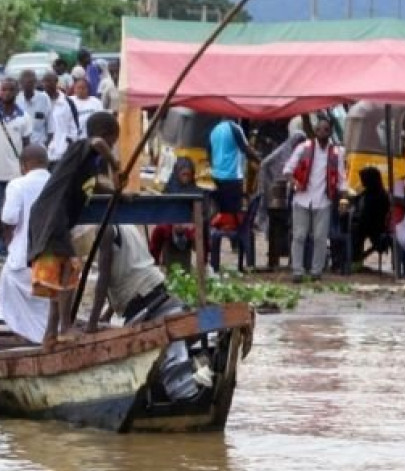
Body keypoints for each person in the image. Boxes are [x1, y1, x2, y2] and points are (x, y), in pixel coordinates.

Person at [29, 111, 121, 347]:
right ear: (106, 135)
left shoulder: (87, 165)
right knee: (68, 271)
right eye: (113, 141)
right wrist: (114, 163)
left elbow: (96, 184)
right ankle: (65, 328)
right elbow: (98, 143)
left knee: (58, 278)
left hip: (53, 219)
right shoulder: (81, 147)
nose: (111, 146)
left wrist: (120, 193)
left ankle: (51, 334)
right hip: (52, 218)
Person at [94, 222, 205, 403]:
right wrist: (106, 315)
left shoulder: (106, 228)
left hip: (146, 305)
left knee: (163, 363)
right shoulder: (128, 225)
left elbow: (103, 279)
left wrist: (92, 324)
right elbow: (131, 271)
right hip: (160, 294)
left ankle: (178, 393)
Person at [0, 144, 53, 344]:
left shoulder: (18, 185)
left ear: (23, 165)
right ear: (46, 163)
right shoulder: (56, 183)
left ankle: (24, 338)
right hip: (53, 260)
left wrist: (8, 241)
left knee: (8, 289)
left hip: (23, 260)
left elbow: (9, 219)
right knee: (46, 304)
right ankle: (46, 337)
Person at [284, 118, 346, 283]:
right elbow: (287, 170)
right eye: (319, 130)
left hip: (323, 200)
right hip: (302, 199)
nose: (322, 133)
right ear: (315, 131)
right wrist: (295, 182)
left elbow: (341, 180)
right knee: (299, 236)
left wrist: (343, 200)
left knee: (320, 237)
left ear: (330, 132)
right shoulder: (303, 148)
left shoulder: (336, 154)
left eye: (326, 130)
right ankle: (297, 271)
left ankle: (316, 271)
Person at [0, 80, 28, 259]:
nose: (7, 92)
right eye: (4, 89)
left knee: (12, 211)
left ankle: (12, 245)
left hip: (14, 172)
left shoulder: (23, 117)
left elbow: (26, 144)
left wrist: (25, 168)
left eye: (11, 89)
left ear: (17, 91)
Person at [257, 129, 305, 271]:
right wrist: (270, 182)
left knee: (295, 230)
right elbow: (265, 164)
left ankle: (293, 261)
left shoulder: (301, 154)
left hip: (294, 197)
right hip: (278, 197)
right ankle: (273, 261)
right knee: (276, 229)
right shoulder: (282, 153)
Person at [208, 117, 259, 240]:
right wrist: (259, 159)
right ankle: (236, 242)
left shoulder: (214, 130)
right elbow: (246, 149)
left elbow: (209, 152)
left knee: (222, 211)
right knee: (235, 213)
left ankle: (217, 238)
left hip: (216, 177)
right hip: (232, 177)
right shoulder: (235, 128)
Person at [48, 77, 102, 162]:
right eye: (78, 88)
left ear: (88, 89)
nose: (81, 90)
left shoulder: (95, 102)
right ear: (74, 89)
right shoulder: (69, 102)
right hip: (75, 141)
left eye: (83, 88)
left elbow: (100, 120)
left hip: (90, 139)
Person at [16, 70, 52, 147]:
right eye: (25, 82)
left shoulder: (44, 98)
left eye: (30, 82)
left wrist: (46, 145)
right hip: (20, 146)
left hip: (40, 146)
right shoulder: (16, 100)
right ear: (20, 83)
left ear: (35, 82)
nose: (27, 85)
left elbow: (50, 125)